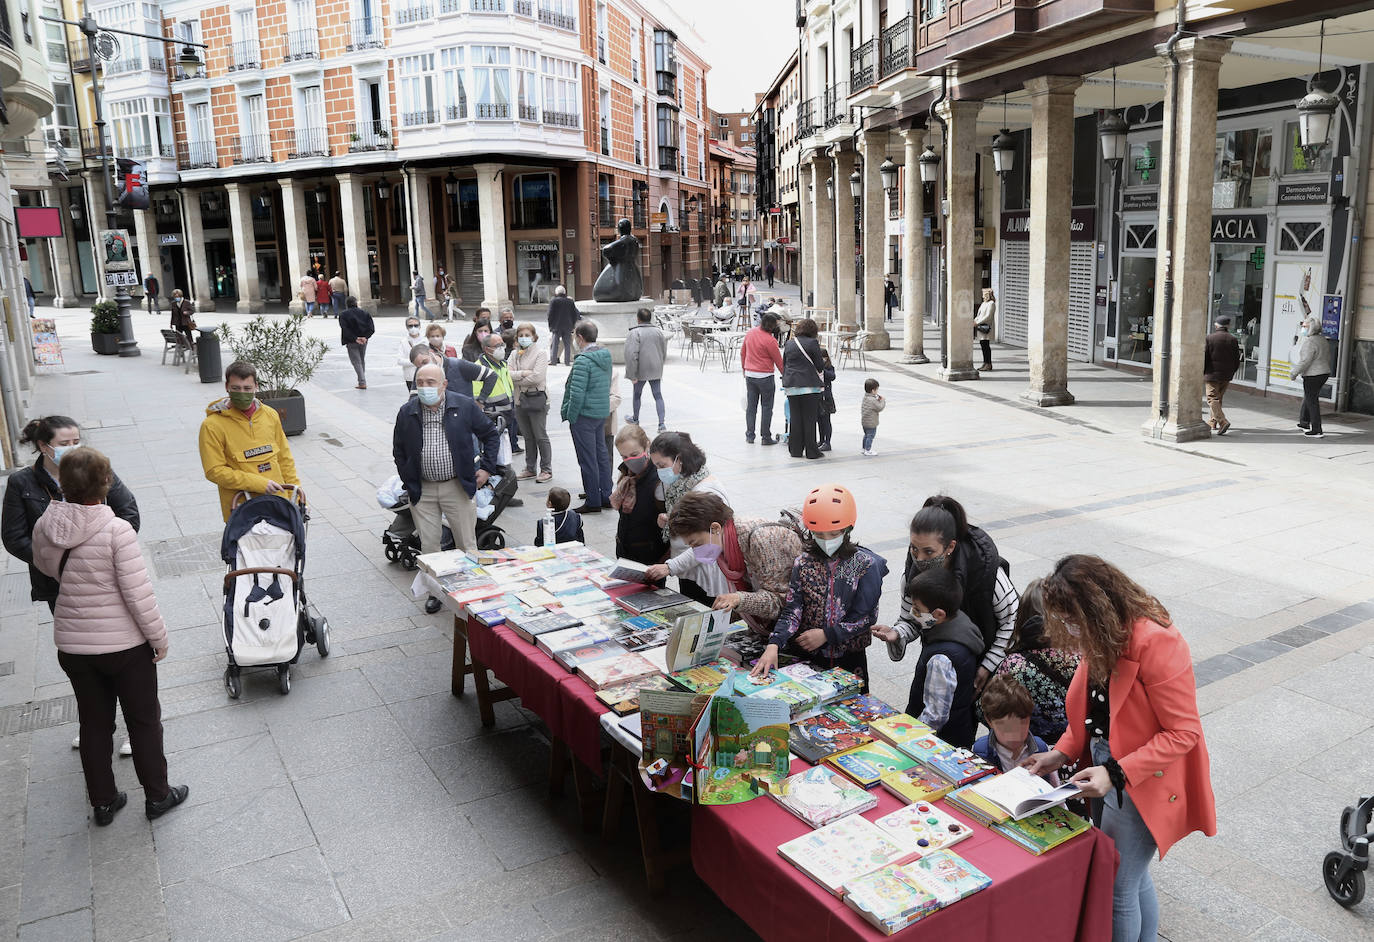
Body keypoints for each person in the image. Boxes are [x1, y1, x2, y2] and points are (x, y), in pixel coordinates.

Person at [1027, 555, 1216, 942]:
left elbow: (1184, 732)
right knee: (1131, 874)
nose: (1068, 630)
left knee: (1117, 883)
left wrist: (1115, 773)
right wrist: (1060, 752)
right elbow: (1091, 710)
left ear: (1095, 610)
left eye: (1071, 620)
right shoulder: (1102, 634)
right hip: (1107, 766)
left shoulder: (1156, 640)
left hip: (1141, 778)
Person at [31, 446, 189, 825]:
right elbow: (138, 594)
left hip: (73, 645)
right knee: (144, 721)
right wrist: (159, 638)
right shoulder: (116, 529)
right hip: (124, 648)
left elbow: (45, 567)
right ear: (105, 483)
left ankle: (103, 803)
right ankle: (157, 796)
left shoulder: (44, 525)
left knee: (93, 724)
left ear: (64, 484)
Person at [750, 484, 887, 689]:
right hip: (810, 654)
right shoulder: (804, 563)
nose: (826, 541)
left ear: (847, 529)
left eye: (833, 534)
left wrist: (826, 634)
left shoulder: (864, 564)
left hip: (849, 657)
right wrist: (774, 644)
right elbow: (793, 609)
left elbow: (865, 617)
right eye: (819, 534)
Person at [393, 362, 502, 614]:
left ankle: (472, 589)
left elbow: (490, 434)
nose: (424, 387)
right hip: (423, 489)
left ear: (444, 384)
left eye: (430, 382)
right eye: (419, 383)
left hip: (457, 485)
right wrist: (408, 477)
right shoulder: (407, 411)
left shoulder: (463, 405)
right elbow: (398, 449)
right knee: (430, 548)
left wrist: (486, 468)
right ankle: (436, 593)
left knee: (466, 543)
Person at [3, 417, 140, 614]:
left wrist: (105, 551)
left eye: (76, 442)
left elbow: (129, 513)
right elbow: (14, 537)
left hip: (103, 573)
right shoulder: (22, 482)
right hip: (58, 583)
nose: (72, 448)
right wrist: (55, 562)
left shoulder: (96, 467)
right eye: (64, 444)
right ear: (44, 446)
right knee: (73, 637)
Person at [888, 495, 1017, 691]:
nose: (920, 559)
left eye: (928, 552)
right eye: (914, 549)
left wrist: (987, 666)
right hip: (937, 657)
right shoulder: (912, 574)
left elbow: (1013, 621)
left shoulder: (985, 572)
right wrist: (897, 634)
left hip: (985, 658)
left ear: (950, 546)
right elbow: (914, 619)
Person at [667, 490, 804, 638]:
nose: (695, 551)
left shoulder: (761, 538)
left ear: (715, 528)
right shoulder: (726, 547)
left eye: (697, 543)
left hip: (800, 631)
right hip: (771, 629)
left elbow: (781, 602)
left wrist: (738, 599)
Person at [874, 568, 983, 747]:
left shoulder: (941, 658)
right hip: (959, 729)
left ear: (939, 614)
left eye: (917, 609)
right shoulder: (959, 624)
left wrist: (906, 740)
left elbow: (935, 715)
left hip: (939, 743)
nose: (912, 613)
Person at [198, 361, 300, 522]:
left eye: (247, 388)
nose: (242, 393)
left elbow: (284, 459)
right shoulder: (212, 425)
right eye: (236, 388)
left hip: (278, 502)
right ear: (227, 387)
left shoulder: (270, 415)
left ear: (256, 387)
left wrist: (296, 495)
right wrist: (258, 483)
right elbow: (214, 470)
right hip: (241, 508)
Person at [643, 432, 730, 605]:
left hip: (705, 577)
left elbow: (710, 545)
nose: (660, 471)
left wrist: (670, 567)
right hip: (687, 571)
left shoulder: (706, 491)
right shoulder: (680, 483)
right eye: (656, 466)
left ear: (679, 459)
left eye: (662, 465)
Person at [992, 578, 1080, 746]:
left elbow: (992, 708)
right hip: (1073, 745)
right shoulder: (1082, 654)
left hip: (1029, 748)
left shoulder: (1014, 664)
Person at [561, 321, 614, 514]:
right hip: (600, 412)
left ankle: (593, 500)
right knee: (601, 456)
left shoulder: (583, 360)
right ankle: (606, 495)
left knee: (587, 459)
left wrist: (571, 415)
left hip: (584, 415)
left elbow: (577, 394)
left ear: (580, 338)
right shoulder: (605, 355)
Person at [972, 675, 1057, 782]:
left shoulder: (1042, 748)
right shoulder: (979, 751)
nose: (1014, 735)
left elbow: (1054, 787)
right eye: (1006, 728)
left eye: (1021, 725)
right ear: (989, 721)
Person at [609, 425, 668, 566]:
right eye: (624, 456)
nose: (629, 460)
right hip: (624, 552)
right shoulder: (625, 473)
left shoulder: (659, 478)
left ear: (647, 446)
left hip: (650, 557)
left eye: (634, 455)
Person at [510, 322, 553, 483]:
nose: (524, 338)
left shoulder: (540, 353)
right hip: (520, 400)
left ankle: (546, 469)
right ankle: (530, 468)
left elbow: (537, 377)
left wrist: (518, 377)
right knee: (528, 436)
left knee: (540, 435)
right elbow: (507, 375)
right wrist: (523, 373)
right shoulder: (514, 354)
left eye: (527, 335)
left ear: (534, 337)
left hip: (536, 399)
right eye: (521, 335)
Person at [781, 317, 826, 460]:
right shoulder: (813, 343)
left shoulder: (789, 343)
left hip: (792, 386)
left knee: (795, 418)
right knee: (809, 419)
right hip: (809, 387)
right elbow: (819, 365)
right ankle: (812, 451)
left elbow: (784, 364)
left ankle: (795, 450)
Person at [741, 312, 784, 445]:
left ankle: (750, 435)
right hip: (765, 376)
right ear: (772, 326)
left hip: (750, 374)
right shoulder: (771, 341)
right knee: (766, 407)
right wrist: (787, 376)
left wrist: (744, 369)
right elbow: (779, 361)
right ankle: (765, 437)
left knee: (751, 407)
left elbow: (743, 352)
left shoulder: (750, 333)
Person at [624, 308, 668, 432]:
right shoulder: (658, 332)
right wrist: (660, 365)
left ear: (638, 319)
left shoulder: (635, 332)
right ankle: (661, 424)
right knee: (658, 395)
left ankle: (636, 419)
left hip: (640, 369)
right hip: (656, 367)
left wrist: (632, 374)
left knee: (637, 394)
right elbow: (664, 350)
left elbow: (631, 355)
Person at [1292, 314, 1331, 439]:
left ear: (1310, 328)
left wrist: (1294, 373)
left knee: (1312, 400)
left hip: (1313, 374)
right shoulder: (1322, 339)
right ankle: (1304, 421)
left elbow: (1305, 361)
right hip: (1324, 373)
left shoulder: (1310, 342)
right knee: (1309, 396)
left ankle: (1316, 429)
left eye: (1304, 326)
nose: (1302, 328)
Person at [471, 332, 516, 433]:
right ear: (487, 349)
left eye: (502, 345)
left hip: (509, 413)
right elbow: (476, 397)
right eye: (497, 346)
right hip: (493, 417)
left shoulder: (503, 364)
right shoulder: (479, 368)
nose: (501, 348)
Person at [1202, 315, 1240, 435]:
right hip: (1226, 375)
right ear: (1228, 326)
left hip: (1212, 374)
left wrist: (1203, 371)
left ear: (1216, 325)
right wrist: (1232, 371)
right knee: (1218, 399)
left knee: (1212, 398)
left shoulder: (1210, 338)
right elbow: (1236, 359)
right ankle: (1213, 421)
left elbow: (1205, 357)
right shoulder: (1233, 339)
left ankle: (1222, 421)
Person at [338, 296, 375, 390]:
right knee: (361, 360)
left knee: (356, 362)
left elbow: (345, 329)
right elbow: (371, 328)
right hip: (363, 340)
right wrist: (365, 337)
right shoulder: (365, 313)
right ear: (356, 303)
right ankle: (362, 380)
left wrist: (355, 338)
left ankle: (362, 382)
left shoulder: (343, 314)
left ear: (346, 304)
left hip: (352, 341)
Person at [547, 285, 580, 366]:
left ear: (556, 292)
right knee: (567, 345)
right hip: (568, 326)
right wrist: (572, 325)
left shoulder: (553, 301)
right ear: (564, 292)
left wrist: (550, 326)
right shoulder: (570, 301)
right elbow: (574, 315)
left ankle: (553, 361)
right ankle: (567, 361)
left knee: (555, 344)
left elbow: (550, 314)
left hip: (556, 326)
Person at [397, 316, 424, 391]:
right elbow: (399, 360)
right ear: (407, 327)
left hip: (425, 375)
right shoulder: (403, 342)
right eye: (410, 326)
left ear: (420, 326)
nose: (413, 328)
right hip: (410, 376)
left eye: (416, 325)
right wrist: (416, 362)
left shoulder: (425, 341)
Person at [817, 350, 836, 452]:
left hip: (826, 398)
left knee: (826, 421)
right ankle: (821, 440)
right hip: (818, 397)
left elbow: (832, 376)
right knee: (819, 421)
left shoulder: (828, 367)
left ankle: (827, 442)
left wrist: (823, 370)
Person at [860, 378, 885, 456]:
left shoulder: (866, 397)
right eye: (877, 390)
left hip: (864, 422)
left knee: (866, 435)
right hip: (871, 423)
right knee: (870, 436)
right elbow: (879, 407)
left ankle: (864, 448)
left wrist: (876, 398)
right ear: (873, 391)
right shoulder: (873, 400)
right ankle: (868, 450)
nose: (877, 391)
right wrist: (882, 401)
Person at [975, 288, 996, 372]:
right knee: (983, 345)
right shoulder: (983, 303)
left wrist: (977, 322)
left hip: (986, 327)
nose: (982, 296)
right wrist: (974, 320)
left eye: (984, 294)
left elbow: (988, 316)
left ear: (988, 294)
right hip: (980, 326)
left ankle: (988, 363)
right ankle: (985, 363)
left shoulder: (991, 304)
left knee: (986, 346)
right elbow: (979, 314)